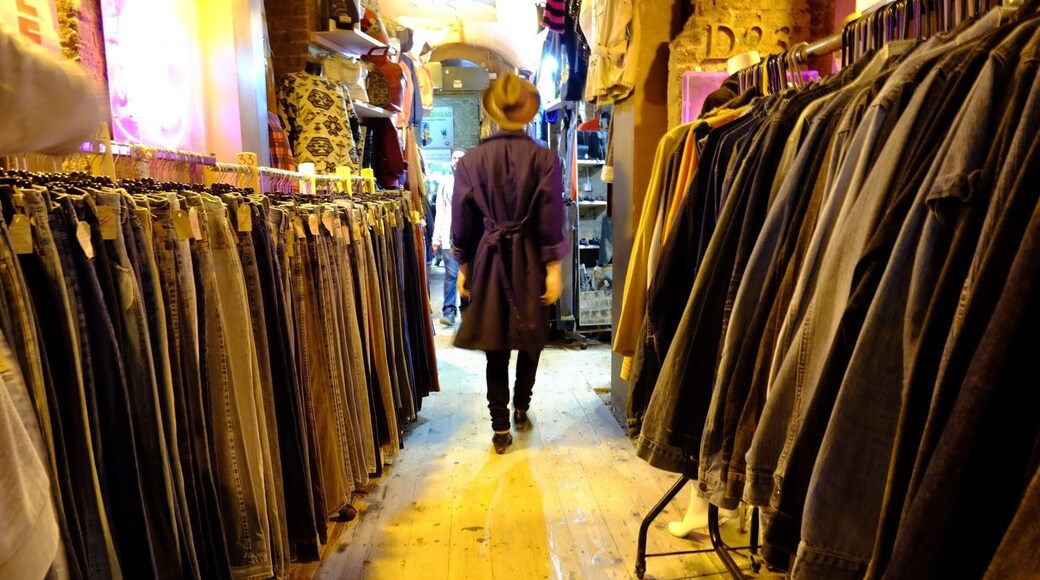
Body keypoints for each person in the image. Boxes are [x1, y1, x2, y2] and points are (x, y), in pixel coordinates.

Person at [451, 71, 569, 454]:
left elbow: (463, 223)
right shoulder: (545, 159)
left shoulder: (471, 161)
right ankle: (521, 408)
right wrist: (553, 269)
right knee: (531, 338)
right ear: (528, 112)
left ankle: (500, 427)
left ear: (493, 112)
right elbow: (551, 218)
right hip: (531, 259)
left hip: (489, 258)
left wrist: (464, 266)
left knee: (495, 345)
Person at [431, 149, 465, 325]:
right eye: (454, 158)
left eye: (460, 158)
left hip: (468, 239)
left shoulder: (474, 182)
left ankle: (467, 311)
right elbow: (440, 212)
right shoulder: (445, 183)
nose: (457, 161)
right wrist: (436, 239)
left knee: (470, 277)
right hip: (448, 238)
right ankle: (449, 311)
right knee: (451, 276)